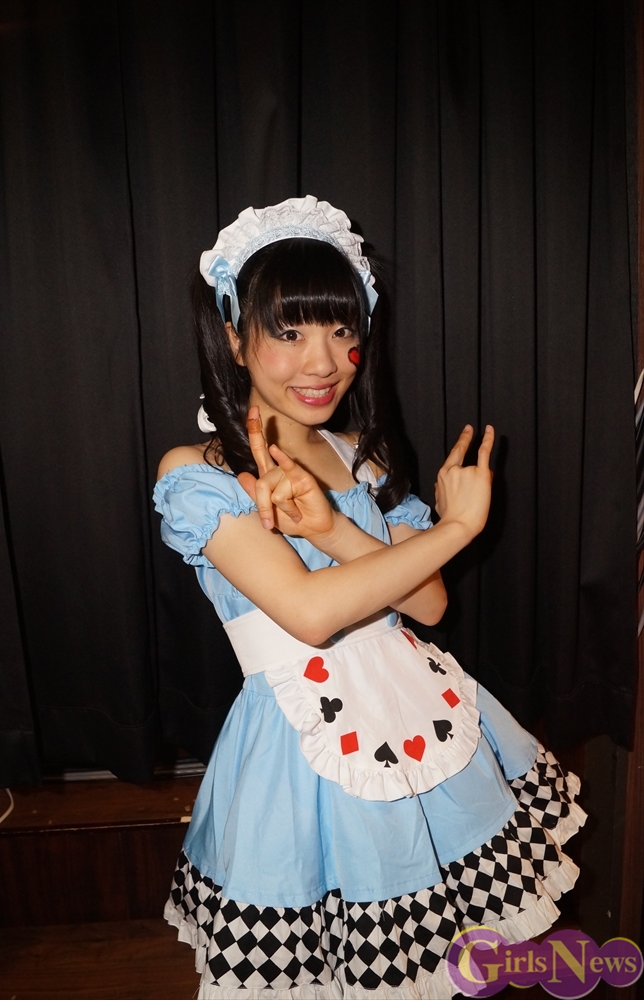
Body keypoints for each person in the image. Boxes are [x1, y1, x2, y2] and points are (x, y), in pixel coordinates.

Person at [153, 196, 586, 999]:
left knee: (438, 961)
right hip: (299, 750)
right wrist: (456, 528)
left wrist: (332, 528)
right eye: (290, 332)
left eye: (342, 329)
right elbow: (311, 614)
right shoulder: (198, 473)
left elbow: (427, 606)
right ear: (233, 338)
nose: (323, 361)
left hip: (417, 711)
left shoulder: (361, 454)